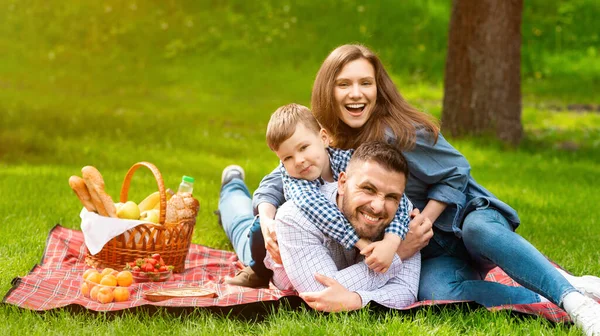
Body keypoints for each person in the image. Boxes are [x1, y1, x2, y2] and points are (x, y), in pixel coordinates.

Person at [252, 44, 600, 335]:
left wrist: (423, 222)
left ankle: (576, 300)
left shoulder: (401, 130)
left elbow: (458, 170)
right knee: (436, 292)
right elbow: (278, 176)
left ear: (378, 87)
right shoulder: (327, 140)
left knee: (480, 229)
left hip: (463, 222)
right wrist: (267, 218)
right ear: (328, 91)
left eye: (365, 83)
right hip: (432, 253)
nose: (356, 94)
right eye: (344, 84)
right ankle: (547, 294)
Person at [223, 103, 417, 288]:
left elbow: (399, 200)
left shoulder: (348, 161)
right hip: (273, 243)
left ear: (324, 138)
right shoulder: (297, 183)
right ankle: (232, 185)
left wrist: (391, 242)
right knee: (243, 226)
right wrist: (363, 244)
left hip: (323, 246)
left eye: (303, 148)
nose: (299, 161)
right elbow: (325, 214)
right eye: (287, 158)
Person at [220, 141, 421, 311]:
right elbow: (319, 293)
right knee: (241, 226)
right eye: (368, 189)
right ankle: (232, 185)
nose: (378, 207)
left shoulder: (401, 220)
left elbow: (406, 291)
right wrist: (398, 256)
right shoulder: (295, 216)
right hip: (269, 249)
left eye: (391, 196)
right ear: (342, 182)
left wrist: (357, 300)